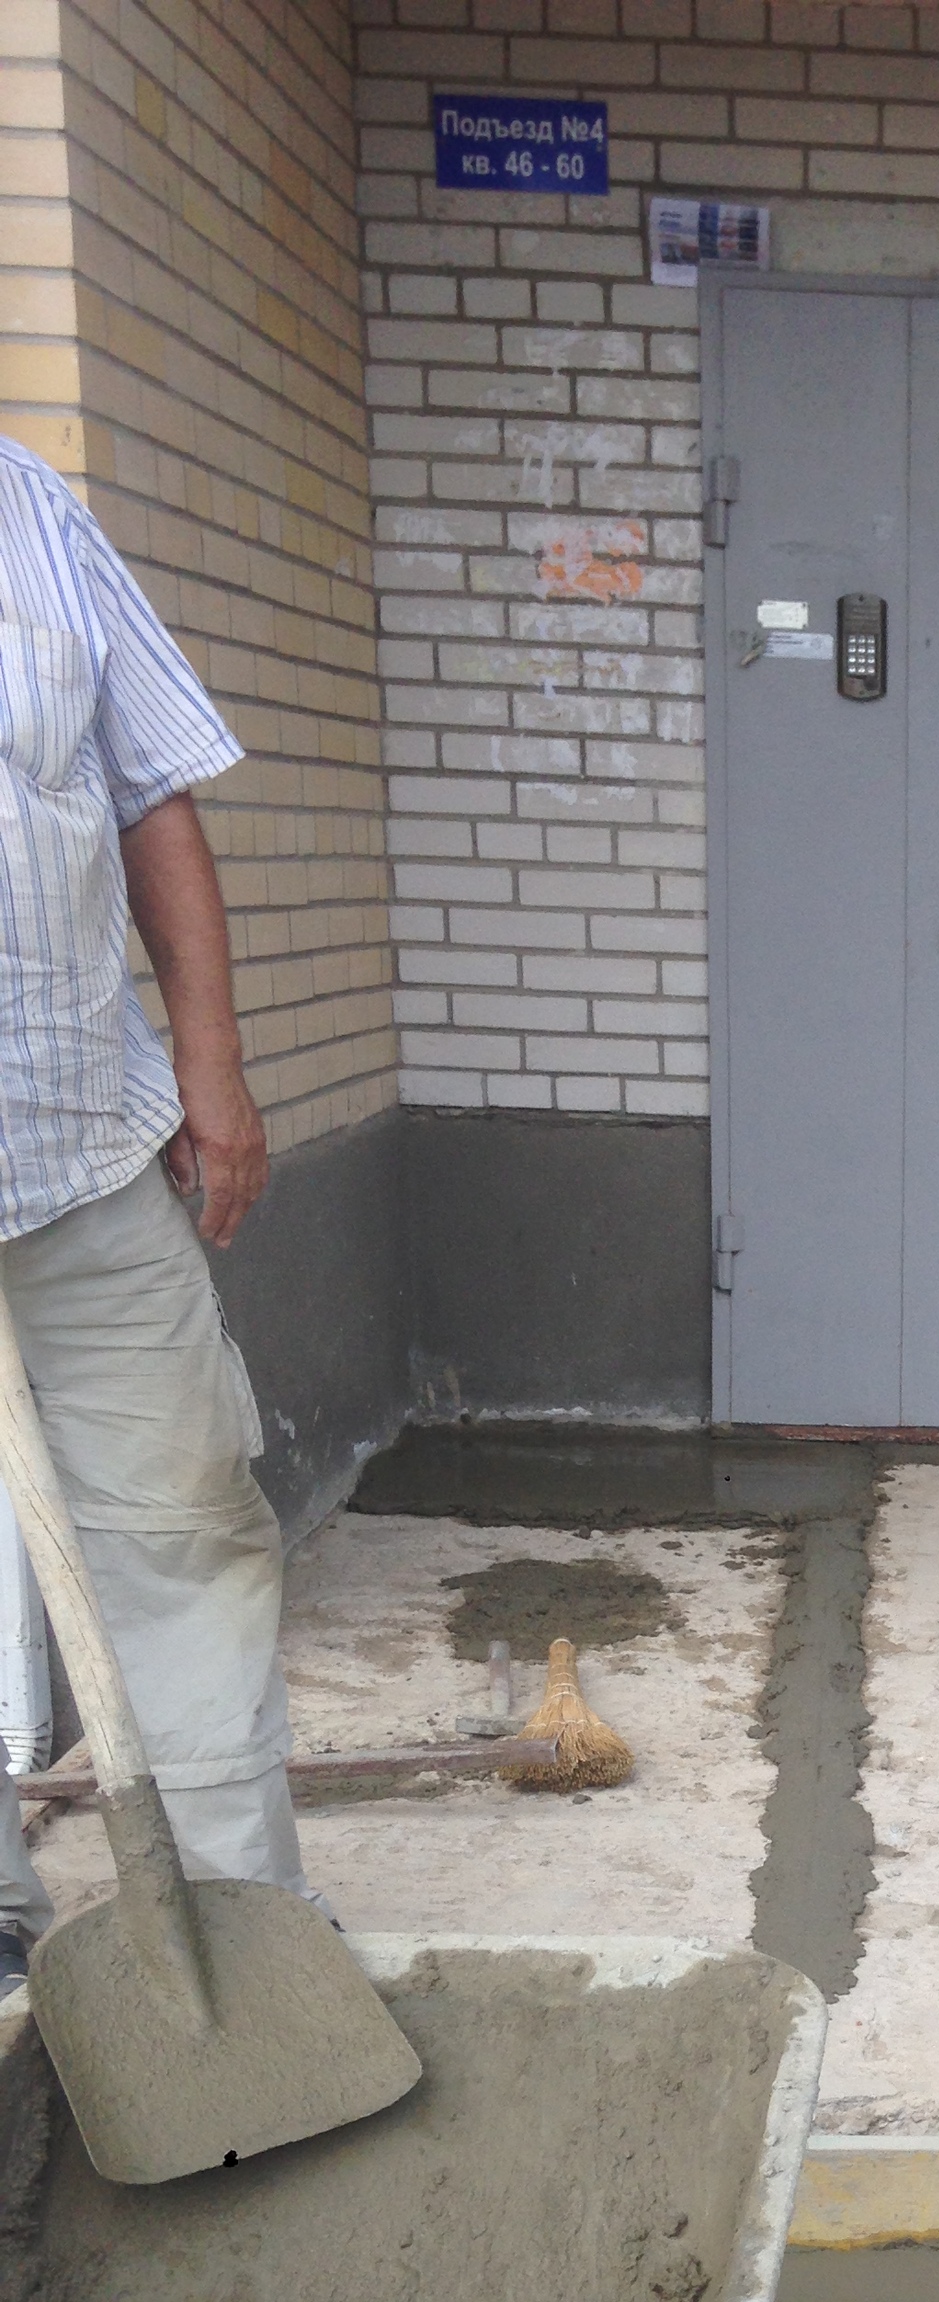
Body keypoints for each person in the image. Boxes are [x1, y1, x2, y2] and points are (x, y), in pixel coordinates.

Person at [0, 430, 313, 2002]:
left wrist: (212, 1068)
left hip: (75, 1143)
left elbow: (147, 799)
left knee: (188, 1528)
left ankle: (239, 1944)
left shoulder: (30, 508)